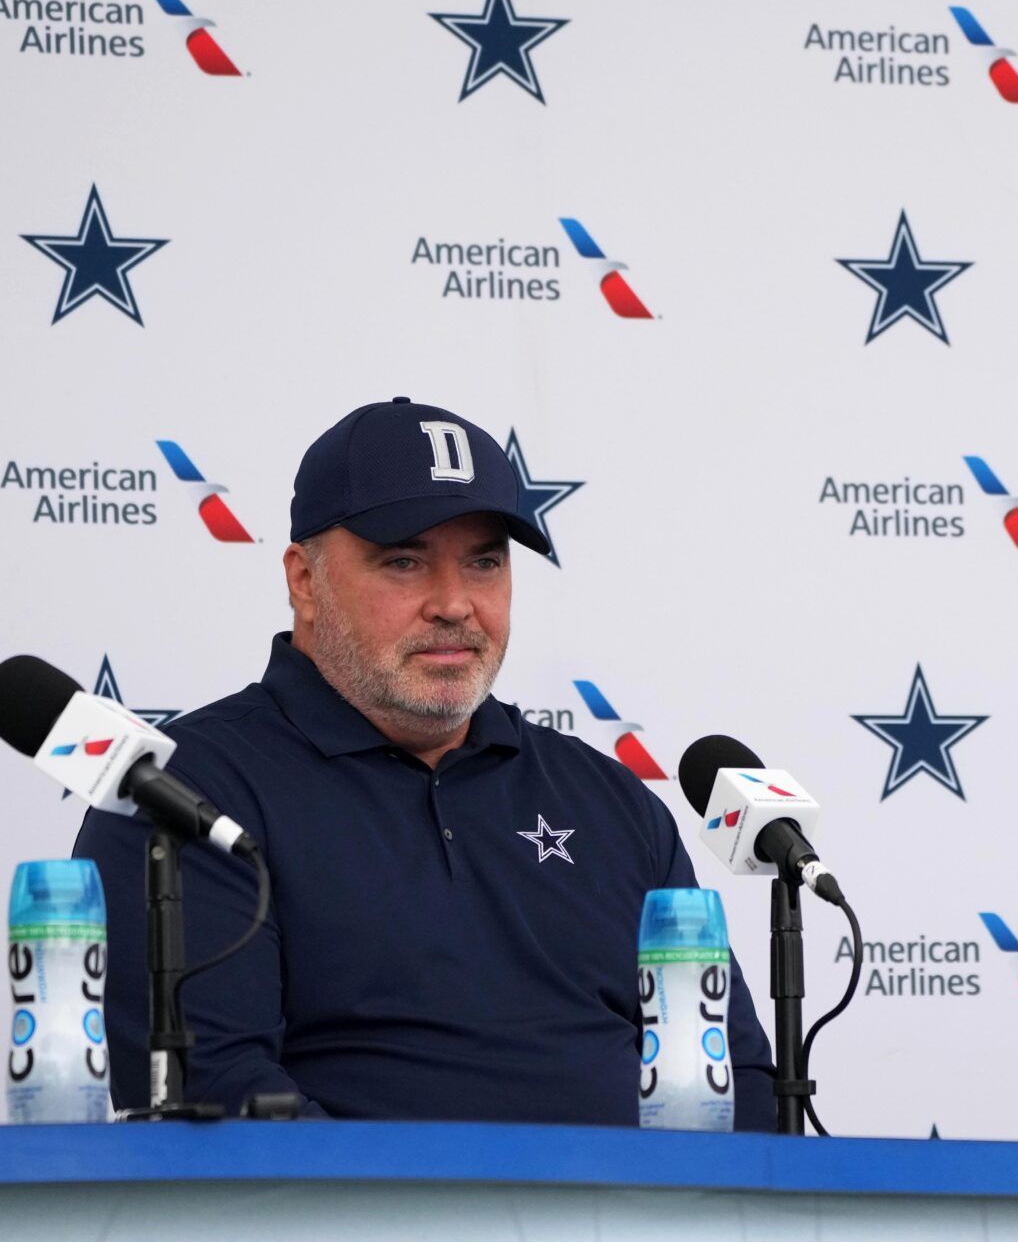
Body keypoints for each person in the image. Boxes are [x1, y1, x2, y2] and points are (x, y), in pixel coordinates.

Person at [75, 398, 775, 1125]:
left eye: (484, 562)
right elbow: (215, 1092)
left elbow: (735, 1079)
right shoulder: (183, 793)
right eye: (405, 561)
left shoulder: (612, 802)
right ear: (304, 582)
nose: (455, 604)